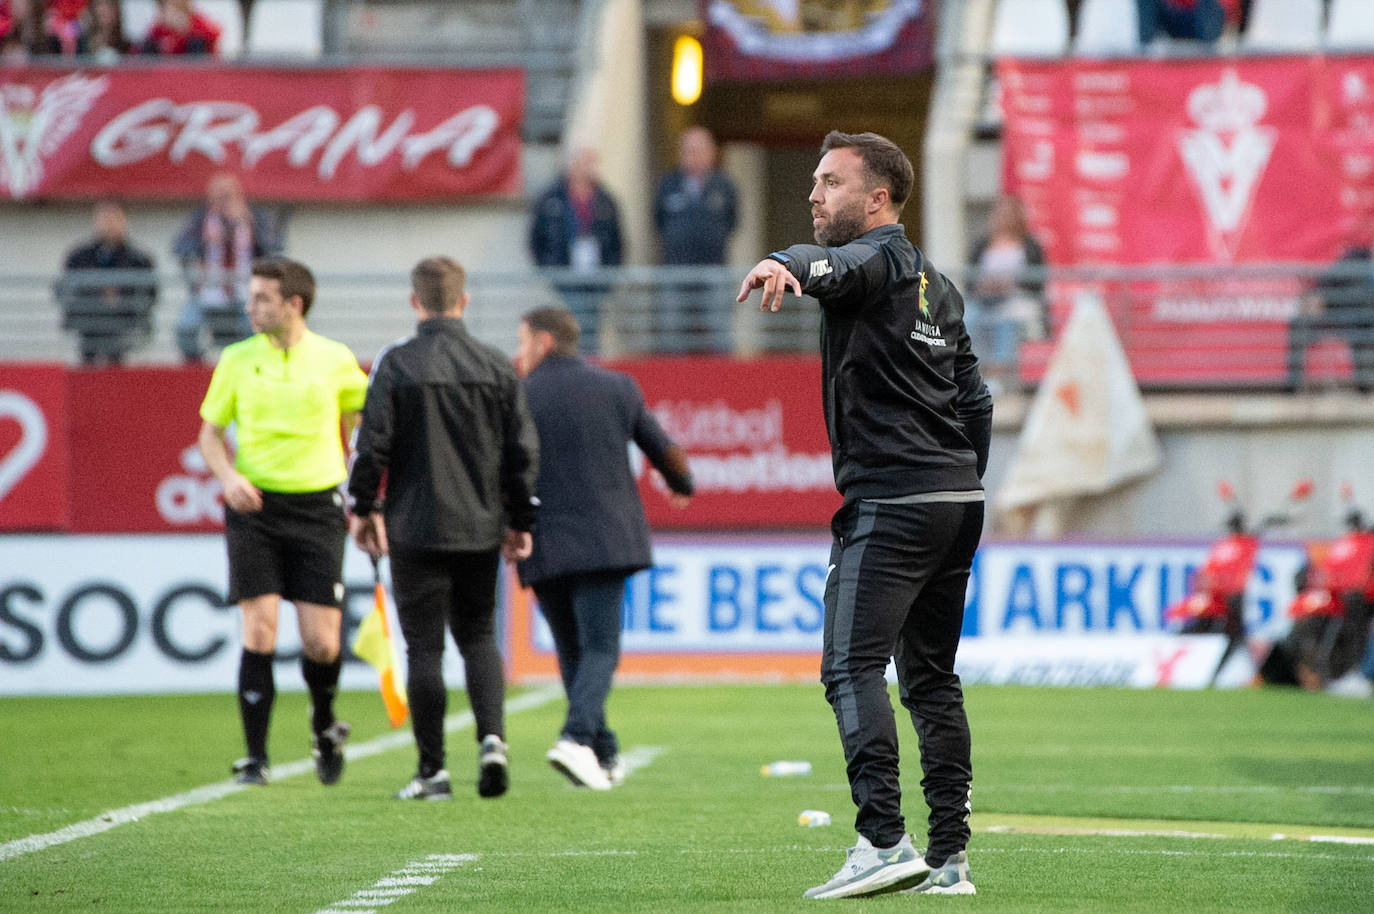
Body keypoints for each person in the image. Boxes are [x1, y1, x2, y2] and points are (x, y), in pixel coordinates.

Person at [737, 130, 992, 899]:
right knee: (931, 680)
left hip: (896, 499)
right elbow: (974, 400)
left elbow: (834, 265)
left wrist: (785, 261)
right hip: (956, 499)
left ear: (877, 199)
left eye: (829, 182)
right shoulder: (938, 287)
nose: (814, 195)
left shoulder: (874, 260)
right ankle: (949, 859)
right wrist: (957, 475)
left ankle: (883, 838)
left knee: (850, 666)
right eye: (813, 182)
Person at [348, 256, 540, 802]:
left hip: (414, 526)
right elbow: (522, 451)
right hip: (481, 527)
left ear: (415, 303)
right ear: (464, 301)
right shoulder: (495, 364)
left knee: (424, 650)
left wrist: (362, 508)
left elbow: (371, 444)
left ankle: (432, 770)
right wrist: (520, 519)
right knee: (479, 636)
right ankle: (494, 740)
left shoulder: (398, 364)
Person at [197, 256, 369, 788]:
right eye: (250, 297)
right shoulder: (236, 359)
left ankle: (323, 725)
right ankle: (256, 756)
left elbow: (362, 423)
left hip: (319, 509)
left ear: (293, 304)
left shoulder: (336, 359)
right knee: (261, 627)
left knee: (322, 643)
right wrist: (227, 477)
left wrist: (363, 483)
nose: (250, 307)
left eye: (261, 298)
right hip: (256, 511)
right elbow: (209, 434)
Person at [513, 306, 694, 790]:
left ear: (545, 342)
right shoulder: (618, 387)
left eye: (524, 341)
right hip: (604, 538)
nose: (519, 352)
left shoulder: (518, 396)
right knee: (600, 648)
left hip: (541, 539)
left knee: (573, 650)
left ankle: (601, 751)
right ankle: (576, 737)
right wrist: (683, 482)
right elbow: (662, 447)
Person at [173, 172, 283, 363]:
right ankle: (195, 367)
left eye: (228, 194)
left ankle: (251, 365)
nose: (224, 200)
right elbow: (179, 248)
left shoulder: (255, 215)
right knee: (186, 327)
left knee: (255, 327)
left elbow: (275, 248)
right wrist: (202, 244)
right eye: (219, 194)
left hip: (246, 290)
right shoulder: (200, 219)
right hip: (208, 290)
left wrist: (250, 225)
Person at [528, 146, 624, 356]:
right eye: (581, 163)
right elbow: (536, 240)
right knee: (566, 326)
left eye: (590, 163)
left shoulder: (605, 199)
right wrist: (549, 271)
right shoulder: (550, 198)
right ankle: (571, 363)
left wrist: (610, 276)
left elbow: (618, 242)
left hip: (596, 279)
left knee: (590, 329)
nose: (586, 168)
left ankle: (589, 366)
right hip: (564, 278)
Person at [653, 126, 739, 353]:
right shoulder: (667, 185)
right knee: (673, 333)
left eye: (700, 149)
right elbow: (658, 221)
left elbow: (732, 222)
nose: (695, 155)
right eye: (690, 150)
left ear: (712, 153)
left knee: (719, 331)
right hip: (676, 269)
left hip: (713, 268)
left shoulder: (724, 186)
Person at [55, 200, 158, 366]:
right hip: (88, 319)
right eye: (105, 219)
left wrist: (120, 298)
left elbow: (150, 292)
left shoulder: (138, 258)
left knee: (115, 357)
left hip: (123, 319)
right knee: (88, 362)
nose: (109, 225)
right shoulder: (79, 256)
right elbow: (64, 288)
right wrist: (98, 295)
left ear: (123, 221)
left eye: (113, 219)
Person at [965, 193, 1045, 395]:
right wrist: (984, 286)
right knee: (967, 318)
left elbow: (1038, 281)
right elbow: (970, 278)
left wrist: (1010, 285)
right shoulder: (982, 244)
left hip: (1016, 300)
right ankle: (969, 372)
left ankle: (995, 376)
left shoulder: (1030, 246)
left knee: (1005, 320)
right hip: (985, 300)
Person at [1287, 235, 1374, 394]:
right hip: (1347, 313)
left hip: (1357, 315)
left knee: (1357, 321)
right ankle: (1292, 388)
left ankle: (1362, 388)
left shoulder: (1357, 260)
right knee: (1300, 322)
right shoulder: (1355, 256)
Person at [139, 0, 220, 55]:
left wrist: (186, 28)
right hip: (166, 71)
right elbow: (145, 47)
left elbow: (214, 35)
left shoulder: (195, 19)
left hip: (194, 71)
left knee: (196, 42)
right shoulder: (161, 26)